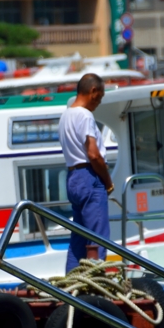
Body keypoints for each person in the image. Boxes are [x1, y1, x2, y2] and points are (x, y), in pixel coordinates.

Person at [60, 73, 114, 271]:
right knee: (97, 237)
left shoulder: (65, 115)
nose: (98, 103)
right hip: (89, 177)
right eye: (99, 97)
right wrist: (108, 181)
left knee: (78, 238)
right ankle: (95, 285)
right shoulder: (84, 115)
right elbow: (93, 154)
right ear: (93, 91)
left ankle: (71, 283)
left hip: (73, 177)